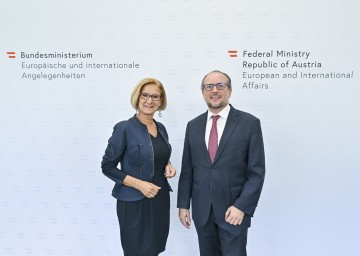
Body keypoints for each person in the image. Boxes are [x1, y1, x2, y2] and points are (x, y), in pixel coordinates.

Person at [177, 70, 265, 256]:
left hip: (233, 212)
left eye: (220, 86)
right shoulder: (193, 125)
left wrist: (242, 206)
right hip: (203, 211)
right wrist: (183, 204)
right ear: (203, 93)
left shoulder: (249, 123)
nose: (214, 90)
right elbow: (187, 169)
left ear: (230, 91)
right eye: (209, 87)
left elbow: (256, 172)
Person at [101, 78, 176, 256]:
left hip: (159, 198)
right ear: (138, 97)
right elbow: (107, 166)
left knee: (154, 250)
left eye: (155, 97)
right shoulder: (124, 128)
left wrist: (168, 164)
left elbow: (156, 154)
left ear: (161, 101)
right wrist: (139, 184)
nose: (150, 101)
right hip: (134, 201)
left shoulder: (162, 128)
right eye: (145, 95)